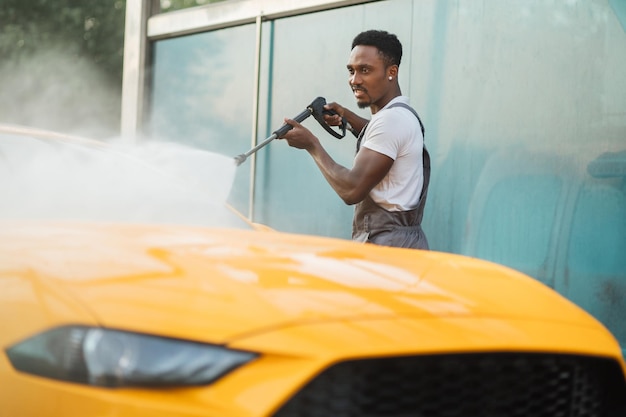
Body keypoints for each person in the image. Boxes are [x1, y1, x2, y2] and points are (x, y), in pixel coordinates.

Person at [279, 29, 430, 250]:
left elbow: (352, 189)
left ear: (392, 71)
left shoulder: (391, 121)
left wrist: (311, 144)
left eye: (365, 70)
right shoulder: (401, 115)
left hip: (387, 251)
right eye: (351, 71)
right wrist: (347, 119)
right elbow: (380, 137)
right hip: (401, 245)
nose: (354, 80)